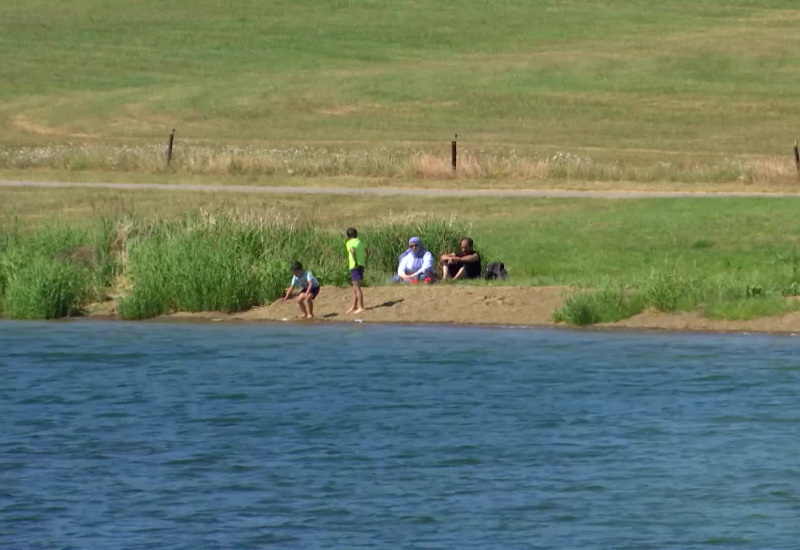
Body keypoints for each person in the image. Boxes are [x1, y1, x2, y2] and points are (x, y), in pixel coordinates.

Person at [345, 227, 366, 314]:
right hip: (361, 265)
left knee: (357, 287)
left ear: (348, 236)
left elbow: (352, 252)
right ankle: (354, 306)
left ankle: (361, 306)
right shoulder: (359, 242)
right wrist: (365, 260)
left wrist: (356, 262)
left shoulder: (349, 243)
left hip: (355, 266)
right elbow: (367, 250)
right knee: (354, 287)